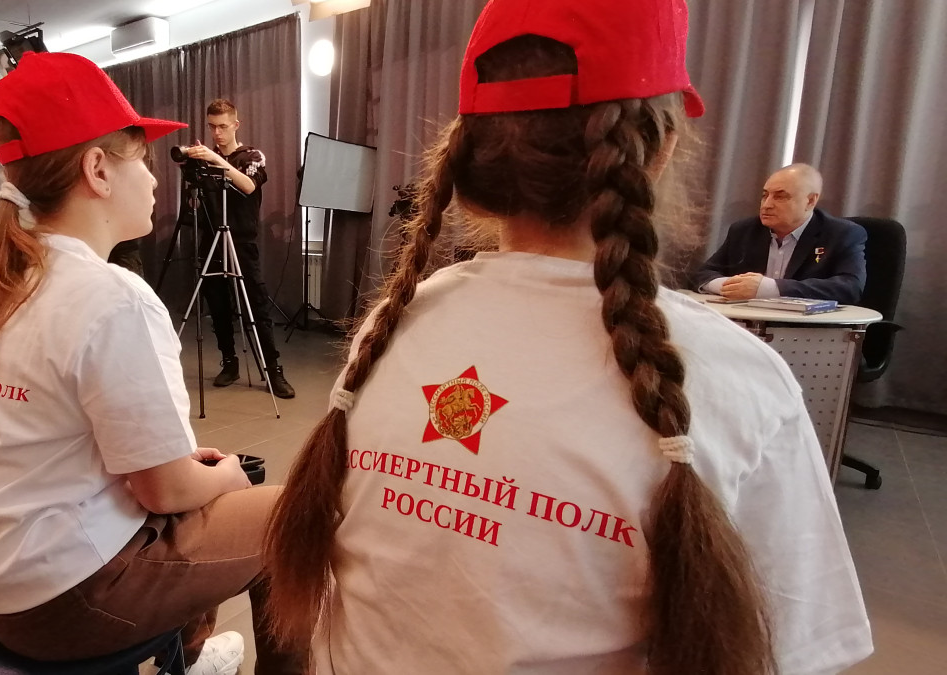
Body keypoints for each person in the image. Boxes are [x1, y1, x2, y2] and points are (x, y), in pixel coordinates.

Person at [264, 1, 873, 674]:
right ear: (660, 150)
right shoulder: (743, 380)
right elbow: (791, 651)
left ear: (470, 163)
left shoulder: (395, 322)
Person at [0, 52, 307, 675]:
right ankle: (197, 651)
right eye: (140, 161)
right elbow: (166, 490)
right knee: (291, 518)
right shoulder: (113, 297)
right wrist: (226, 478)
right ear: (97, 169)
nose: (153, 179)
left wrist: (181, 472)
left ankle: (191, 652)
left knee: (194, 495)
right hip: (60, 601)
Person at [178, 99, 294, 398]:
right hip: (212, 239)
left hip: (241, 240)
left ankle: (273, 370)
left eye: (222, 126)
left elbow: (249, 185)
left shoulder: (252, 156)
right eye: (212, 127)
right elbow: (194, 203)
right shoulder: (206, 158)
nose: (217, 133)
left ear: (236, 125)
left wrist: (217, 162)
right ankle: (229, 362)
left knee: (256, 305)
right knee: (217, 305)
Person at [693, 163, 867, 303]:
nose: (767, 205)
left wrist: (770, 288)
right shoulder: (744, 230)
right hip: (746, 324)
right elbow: (701, 274)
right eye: (765, 195)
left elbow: (850, 287)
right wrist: (732, 286)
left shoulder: (841, 234)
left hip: (804, 329)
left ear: (810, 201)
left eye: (780, 197)